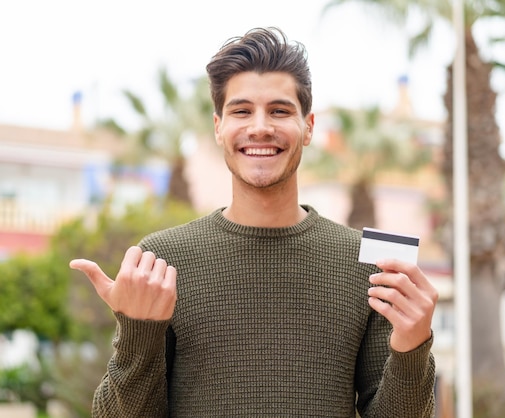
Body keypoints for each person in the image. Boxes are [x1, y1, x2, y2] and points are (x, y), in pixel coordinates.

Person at [70, 26, 438, 417]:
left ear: (308, 126)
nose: (260, 127)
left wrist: (414, 345)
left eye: (279, 110)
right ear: (218, 127)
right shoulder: (161, 261)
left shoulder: (374, 261)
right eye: (241, 111)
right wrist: (138, 333)